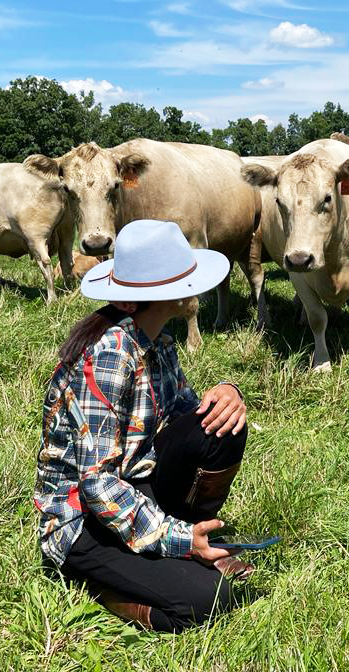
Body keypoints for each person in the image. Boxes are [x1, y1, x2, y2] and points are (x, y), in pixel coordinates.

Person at [35, 219, 251, 633]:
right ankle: (100, 583)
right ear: (155, 297)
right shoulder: (111, 355)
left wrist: (227, 391)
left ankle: (183, 537)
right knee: (208, 600)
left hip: (133, 486)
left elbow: (187, 414)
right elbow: (97, 484)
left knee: (224, 426)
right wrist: (179, 540)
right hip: (83, 517)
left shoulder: (158, 342)